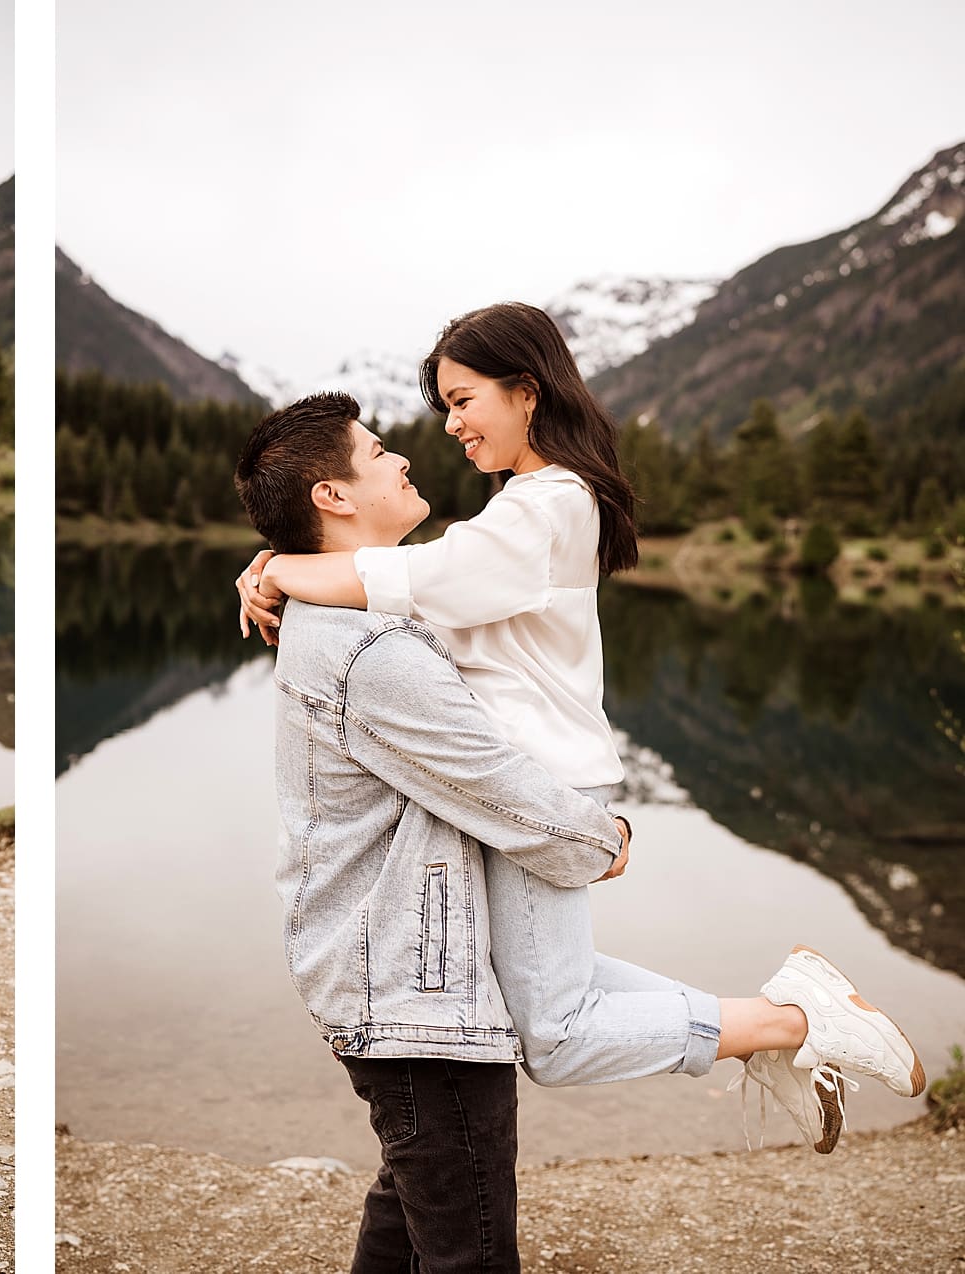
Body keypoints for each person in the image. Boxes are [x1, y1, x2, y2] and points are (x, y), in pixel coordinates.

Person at [232, 387, 922, 1270]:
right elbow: (496, 786)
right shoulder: (371, 650)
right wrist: (604, 839)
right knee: (466, 1240)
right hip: (413, 988)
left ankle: (788, 1021)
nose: (407, 453)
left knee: (412, 1210)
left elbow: (436, 586)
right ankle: (789, 1021)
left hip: (405, 975)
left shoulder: (362, 615)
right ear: (332, 497)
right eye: (376, 452)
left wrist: (274, 564)